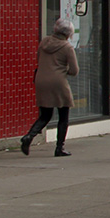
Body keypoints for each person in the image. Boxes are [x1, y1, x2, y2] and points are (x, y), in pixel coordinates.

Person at [21, 18, 78, 157]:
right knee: (63, 116)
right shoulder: (67, 47)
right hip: (58, 82)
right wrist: (63, 70)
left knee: (45, 114)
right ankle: (60, 148)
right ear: (69, 33)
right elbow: (74, 70)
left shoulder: (44, 42)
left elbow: (39, 58)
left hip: (41, 80)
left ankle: (29, 136)